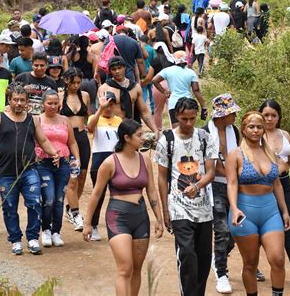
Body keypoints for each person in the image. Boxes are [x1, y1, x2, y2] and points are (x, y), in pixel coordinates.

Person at [83, 119, 164, 295]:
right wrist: (88, 223)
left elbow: (151, 191)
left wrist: (159, 218)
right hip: (118, 218)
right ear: (127, 137)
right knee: (125, 268)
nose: (143, 138)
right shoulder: (110, 162)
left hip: (141, 217)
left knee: (136, 268)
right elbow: (96, 193)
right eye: (139, 135)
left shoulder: (145, 161)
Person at [0, 83, 60, 255]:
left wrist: (54, 153)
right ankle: (16, 240)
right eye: (15, 100)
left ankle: (32, 238)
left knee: (34, 203)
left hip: (29, 170)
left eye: (22, 100)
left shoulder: (33, 119)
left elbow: (43, 141)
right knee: (9, 207)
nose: (18, 103)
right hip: (6, 173)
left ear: (27, 102)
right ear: (9, 100)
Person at [154, 97, 217, 296]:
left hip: (204, 209)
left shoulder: (205, 137)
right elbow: (162, 177)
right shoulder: (167, 140)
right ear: (176, 116)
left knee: (204, 257)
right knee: (187, 255)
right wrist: (165, 211)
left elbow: (210, 172)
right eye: (184, 119)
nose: (188, 124)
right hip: (178, 207)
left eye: (192, 118)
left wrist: (198, 185)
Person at [226, 111, 290, 296]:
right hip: (245, 212)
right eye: (251, 127)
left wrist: (284, 211)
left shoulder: (270, 153)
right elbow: (231, 183)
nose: (255, 130)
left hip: (270, 212)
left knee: (278, 258)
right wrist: (234, 207)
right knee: (251, 263)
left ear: (263, 130)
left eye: (259, 127)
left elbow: (277, 183)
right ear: (244, 130)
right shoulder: (236, 154)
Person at [259, 100, 290, 290]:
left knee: (289, 226)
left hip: (285, 183)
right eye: (266, 115)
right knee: (260, 228)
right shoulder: (256, 134)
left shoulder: (285, 134)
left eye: (273, 115)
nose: (269, 119)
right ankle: (251, 266)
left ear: (279, 117)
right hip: (263, 186)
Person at [202, 93, 241, 294]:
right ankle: (221, 272)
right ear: (221, 115)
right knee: (222, 230)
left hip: (234, 184)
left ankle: (218, 257)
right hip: (214, 185)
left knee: (235, 231)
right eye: (231, 112)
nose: (234, 116)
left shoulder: (234, 130)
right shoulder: (204, 133)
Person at [35, 89, 80, 247]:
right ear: (43, 104)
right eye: (49, 103)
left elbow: (72, 142)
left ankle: (56, 231)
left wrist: (77, 160)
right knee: (48, 198)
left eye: (55, 103)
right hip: (43, 162)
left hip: (63, 162)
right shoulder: (37, 120)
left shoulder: (65, 120)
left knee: (60, 199)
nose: (53, 106)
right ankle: (46, 229)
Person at [86, 90, 122, 241]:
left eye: (111, 105)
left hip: (116, 160)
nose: (108, 107)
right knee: (98, 195)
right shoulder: (94, 118)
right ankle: (93, 225)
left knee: (119, 195)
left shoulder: (119, 121)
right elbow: (90, 128)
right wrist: (100, 109)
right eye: (106, 105)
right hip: (99, 160)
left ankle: (119, 225)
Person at [58, 68, 91, 231]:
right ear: (66, 81)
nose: (76, 86)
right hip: (67, 139)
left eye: (79, 82)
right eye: (73, 83)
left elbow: (88, 116)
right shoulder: (59, 96)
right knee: (73, 176)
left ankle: (71, 207)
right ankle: (75, 212)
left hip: (82, 138)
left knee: (83, 175)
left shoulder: (84, 95)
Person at [98, 56, 159, 135]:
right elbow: (101, 112)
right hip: (113, 129)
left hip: (131, 129)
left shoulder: (135, 87)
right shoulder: (105, 88)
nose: (117, 71)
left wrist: (155, 130)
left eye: (119, 68)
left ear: (125, 68)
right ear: (110, 71)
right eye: (114, 69)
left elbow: (144, 112)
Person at [152, 51, 207, 128]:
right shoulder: (191, 72)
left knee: (176, 131)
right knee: (189, 128)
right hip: (189, 104)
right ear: (186, 59)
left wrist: (164, 91)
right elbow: (196, 90)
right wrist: (203, 106)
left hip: (174, 104)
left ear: (173, 59)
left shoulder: (167, 70)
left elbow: (154, 80)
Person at [141, 42, 174, 131]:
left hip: (157, 85)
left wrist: (142, 83)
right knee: (171, 109)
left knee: (158, 110)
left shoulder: (155, 61)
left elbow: (149, 77)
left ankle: (158, 130)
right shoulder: (172, 60)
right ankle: (174, 128)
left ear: (156, 51)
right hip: (171, 85)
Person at [68, 35, 98, 111]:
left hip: (78, 82)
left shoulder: (74, 55)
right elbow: (95, 72)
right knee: (92, 103)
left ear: (78, 44)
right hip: (90, 82)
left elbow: (65, 58)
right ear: (88, 44)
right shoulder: (92, 57)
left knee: (78, 101)